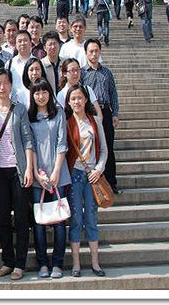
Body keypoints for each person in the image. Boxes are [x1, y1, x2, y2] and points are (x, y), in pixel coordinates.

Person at [0, 68, 35, 281]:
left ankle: (20, 264)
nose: (2, 87)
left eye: (6, 82)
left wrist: (29, 168)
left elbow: (28, 139)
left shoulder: (19, 109)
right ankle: (7, 261)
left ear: (11, 85)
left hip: (17, 169)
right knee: (3, 218)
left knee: (22, 218)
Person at [64, 84, 108, 278]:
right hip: (74, 175)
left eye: (80, 98)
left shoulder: (95, 121)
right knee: (76, 219)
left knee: (91, 218)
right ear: (68, 102)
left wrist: (99, 169)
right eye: (73, 98)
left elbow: (104, 150)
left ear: (86, 99)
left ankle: (95, 263)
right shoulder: (67, 123)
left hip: (92, 176)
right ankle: (76, 264)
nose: (77, 101)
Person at [28, 78, 70, 280]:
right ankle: (43, 263)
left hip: (58, 175)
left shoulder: (58, 113)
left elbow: (62, 143)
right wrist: (37, 173)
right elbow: (31, 146)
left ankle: (58, 263)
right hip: (39, 177)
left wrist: (56, 172)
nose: (41, 96)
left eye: (44, 92)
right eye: (37, 93)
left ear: (49, 94)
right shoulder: (30, 117)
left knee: (60, 221)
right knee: (39, 222)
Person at [81, 39, 120, 194]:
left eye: (96, 50)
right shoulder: (82, 73)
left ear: (100, 52)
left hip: (106, 112)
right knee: (92, 148)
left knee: (107, 147)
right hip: (89, 114)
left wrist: (115, 113)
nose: (94, 54)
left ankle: (111, 183)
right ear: (86, 53)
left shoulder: (107, 73)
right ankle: (94, 183)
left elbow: (113, 94)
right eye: (91, 51)